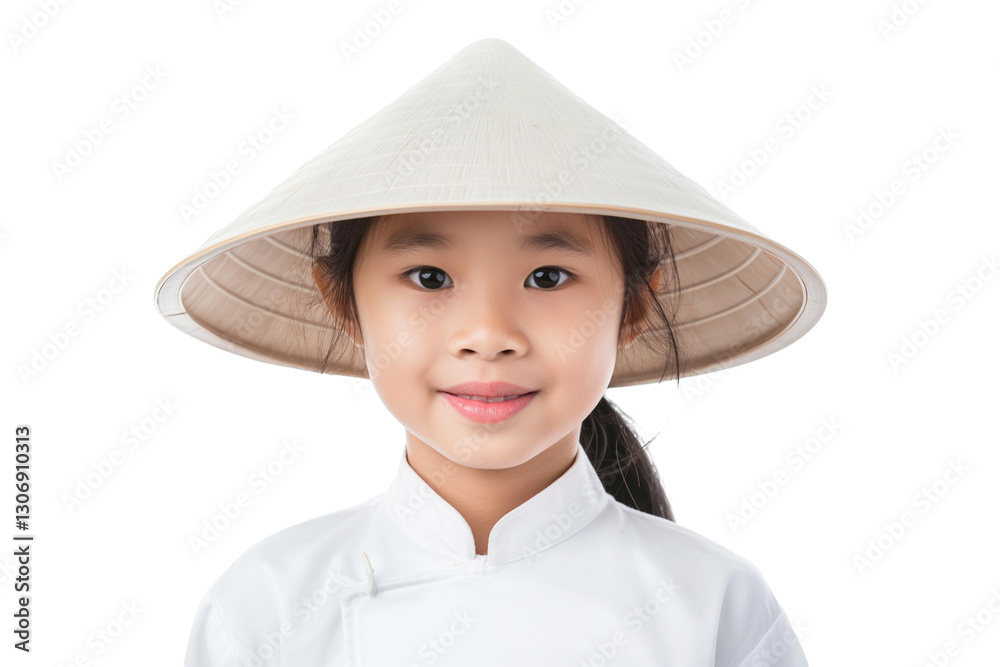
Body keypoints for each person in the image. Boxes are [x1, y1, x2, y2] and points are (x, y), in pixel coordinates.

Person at [158, 38, 824, 666]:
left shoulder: (713, 603)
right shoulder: (268, 603)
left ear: (634, 305)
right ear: (344, 304)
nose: (488, 332)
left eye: (547, 278)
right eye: (430, 277)